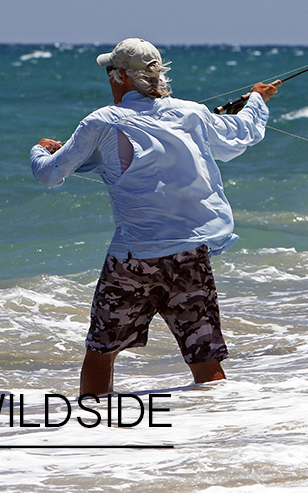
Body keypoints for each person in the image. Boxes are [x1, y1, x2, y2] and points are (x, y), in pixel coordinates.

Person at [30, 38, 280, 395]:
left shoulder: (103, 120)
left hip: (134, 258)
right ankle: (217, 438)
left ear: (119, 77)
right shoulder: (192, 113)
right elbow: (240, 135)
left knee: (102, 352)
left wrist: (40, 150)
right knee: (205, 362)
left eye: (109, 72)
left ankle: (95, 433)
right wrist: (257, 100)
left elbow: (50, 174)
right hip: (191, 254)